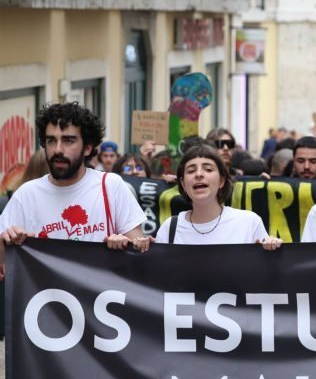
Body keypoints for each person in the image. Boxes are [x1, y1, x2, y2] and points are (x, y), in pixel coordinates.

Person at [0, 102, 148, 277]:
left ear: (87, 147)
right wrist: (6, 240)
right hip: (46, 301)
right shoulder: (27, 194)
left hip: (101, 300)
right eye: (51, 141)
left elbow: (140, 252)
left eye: (68, 141)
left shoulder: (110, 185)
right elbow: (3, 266)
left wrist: (125, 244)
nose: (58, 150)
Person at [153, 145, 281, 249]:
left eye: (208, 169)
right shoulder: (169, 228)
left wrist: (272, 249)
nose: (198, 174)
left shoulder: (249, 223)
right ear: (183, 183)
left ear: (221, 181)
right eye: (191, 171)